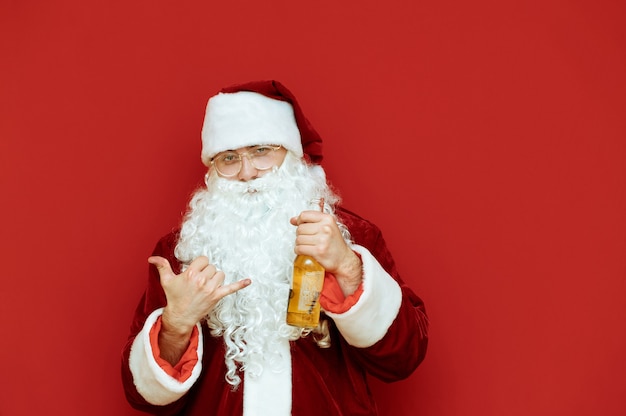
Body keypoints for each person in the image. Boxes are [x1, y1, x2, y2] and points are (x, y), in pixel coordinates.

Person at [121, 80, 429, 416]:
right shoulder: (180, 252)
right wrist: (176, 324)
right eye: (228, 158)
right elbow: (143, 397)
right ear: (213, 169)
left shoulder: (351, 235)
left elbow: (404, 357)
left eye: (261, 151)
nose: (247, 172)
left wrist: (347, 267)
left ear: (292, 155)